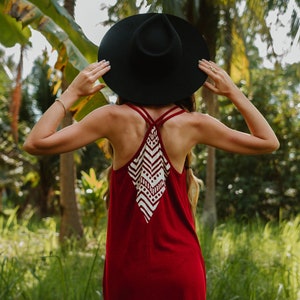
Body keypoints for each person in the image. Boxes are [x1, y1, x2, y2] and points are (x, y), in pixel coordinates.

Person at [23, 13, 279, 300]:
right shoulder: (193, 124)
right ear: (178, 70)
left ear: (129, 65)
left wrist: (71, 93)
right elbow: (268, 141)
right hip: (182, 271)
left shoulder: (111, 118)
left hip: (127, 272)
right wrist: (234, 93)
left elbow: (35, 142)